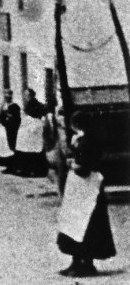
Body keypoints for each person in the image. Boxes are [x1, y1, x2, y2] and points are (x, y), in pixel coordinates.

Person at [56, 111, 117, 277]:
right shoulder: (83, 139)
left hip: (88, 188)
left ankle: (86, 263)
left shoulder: (86, 141)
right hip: (80, 189)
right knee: (75, 223)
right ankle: (76, 261)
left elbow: (83, 167)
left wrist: (72, 163)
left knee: (86, 224)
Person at [13, 88, 48, 177]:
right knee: (30, 149)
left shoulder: (34, 104)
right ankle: (30, 169)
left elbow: (35, 115)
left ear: (30, 95)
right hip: (31, 127)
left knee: (32, 150)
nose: (25, 97)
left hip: (33, 128)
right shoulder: (30, 104)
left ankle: (32, 170)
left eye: (26, 95)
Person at [0, 90, 20, 169]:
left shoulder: (14, 106)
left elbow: (16, 118)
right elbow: (0, 114)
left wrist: (7, 116)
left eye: (9, 95)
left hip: (10, 127)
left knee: (10, 145)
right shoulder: (3, 105)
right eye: (6, 95)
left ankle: (12, 165)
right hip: (3, 127)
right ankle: (5, 163)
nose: (7, 97)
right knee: (3, 144)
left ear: (11, 96)